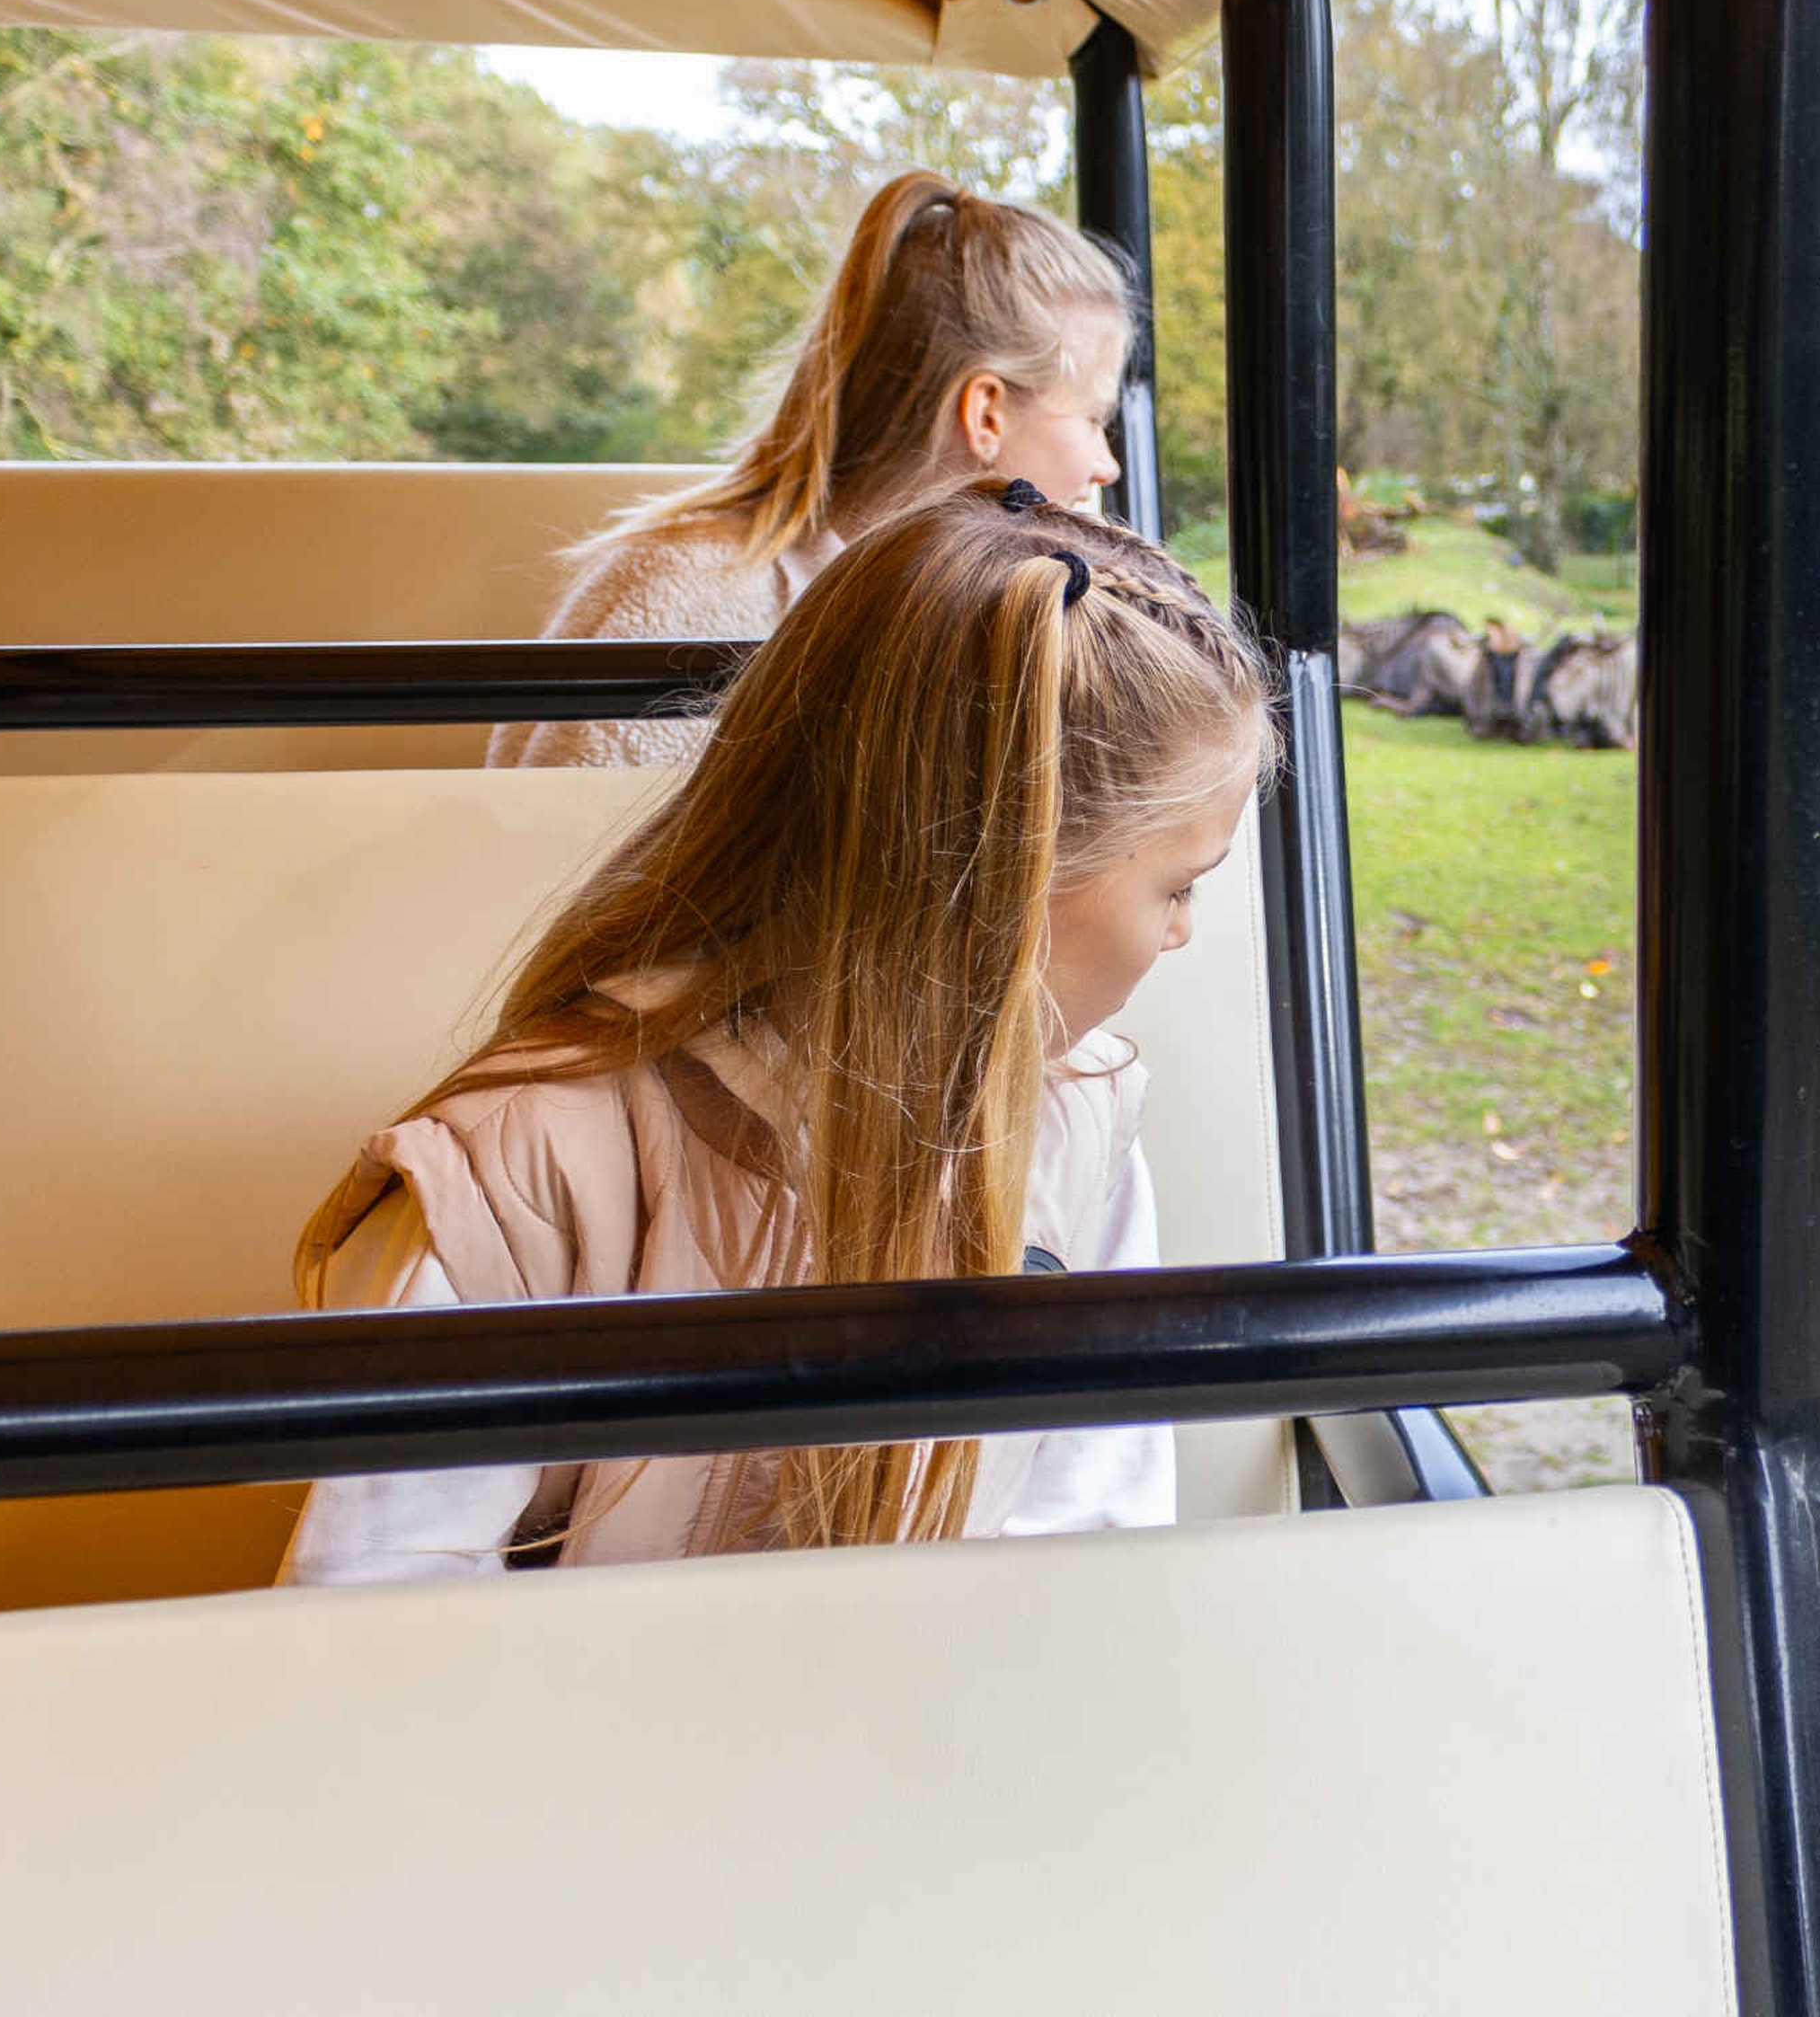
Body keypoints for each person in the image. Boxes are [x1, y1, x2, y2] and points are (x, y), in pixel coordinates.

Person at [283, 482, 1272, 1581]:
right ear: (1004, 887)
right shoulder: (518, 1182)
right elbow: (380, 1613)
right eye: (1179, 886)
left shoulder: (1083, 1130)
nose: (1181, 933)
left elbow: (1085, 1548)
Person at [486, 170, 1134, 768]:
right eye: (1091, 419)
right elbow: (579, 826)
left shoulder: (953, 602)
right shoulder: (700, 599)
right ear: (986, 412)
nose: (1106, 466)